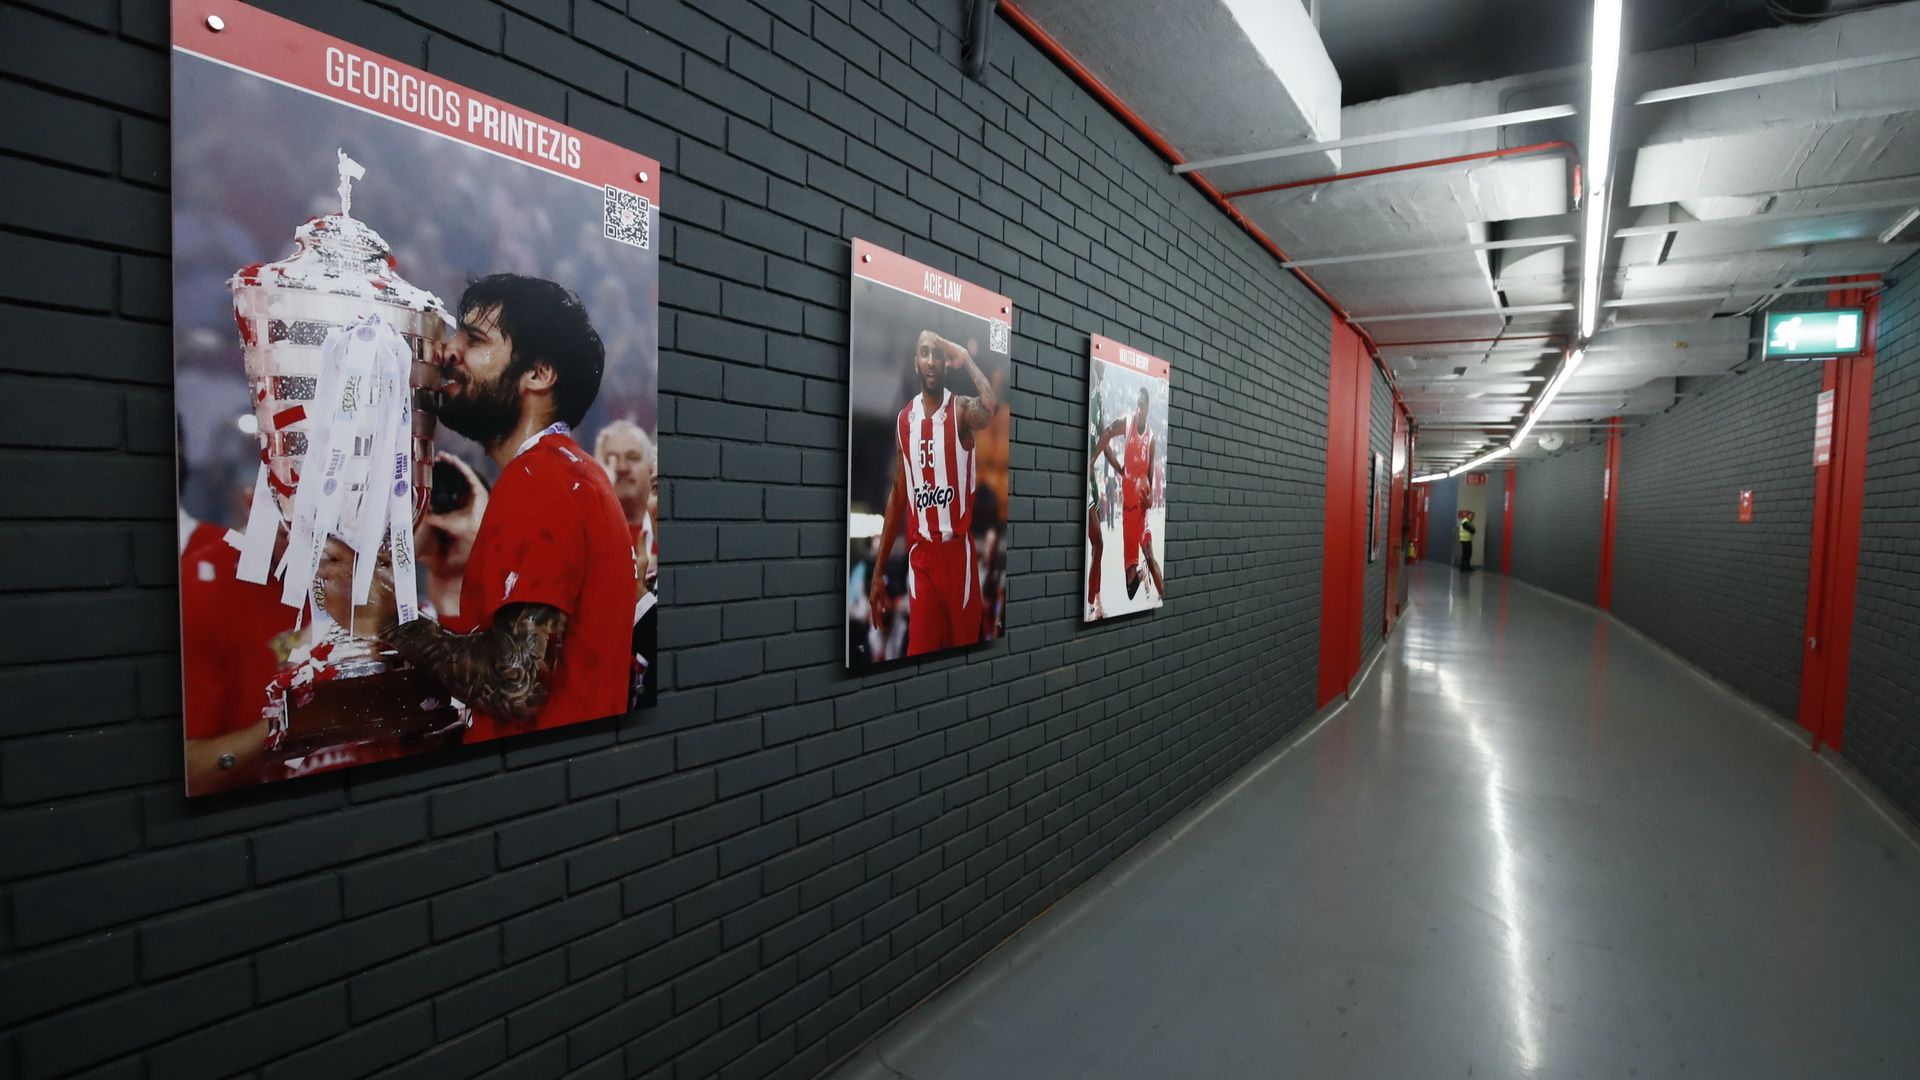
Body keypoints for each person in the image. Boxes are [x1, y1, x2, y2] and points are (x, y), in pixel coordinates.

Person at [329, 274, 637, 740]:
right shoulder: (571, 473)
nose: (448, 350)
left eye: (474, 340)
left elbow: (516, 687)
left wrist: (394, 621)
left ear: (538, 374)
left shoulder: (542, 479)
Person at [867, 329, 999, 657]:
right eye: (924, 352)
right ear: (916, 362)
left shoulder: (960, 410)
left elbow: (990, 406)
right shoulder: (904, 422)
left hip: (957, 555)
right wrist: (878, 572)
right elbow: (898, 494)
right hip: (923, 557)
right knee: (919, 652)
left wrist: (966, 358)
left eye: (936, 354)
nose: (930, 360)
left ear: (944, 363)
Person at [594, 418, 658, 706]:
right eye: (611, 459)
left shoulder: (662, 530)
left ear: (650, 468)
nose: (621, 468)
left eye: (632, 457)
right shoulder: (583, 537)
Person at [1092, 387, 1165, 603]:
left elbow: (1150, 476)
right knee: (1130, 589)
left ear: (1148, 409)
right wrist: (1101, 462)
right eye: (1137, 404)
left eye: (1142, 405)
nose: (1139, 409)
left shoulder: (1151, 439)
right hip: (1127, 511)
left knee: (1150, 556)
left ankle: (1163, 596)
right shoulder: (1128, 422)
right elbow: (1107, 432)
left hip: (1140, 511)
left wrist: (1149, 500)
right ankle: (1141, 574)